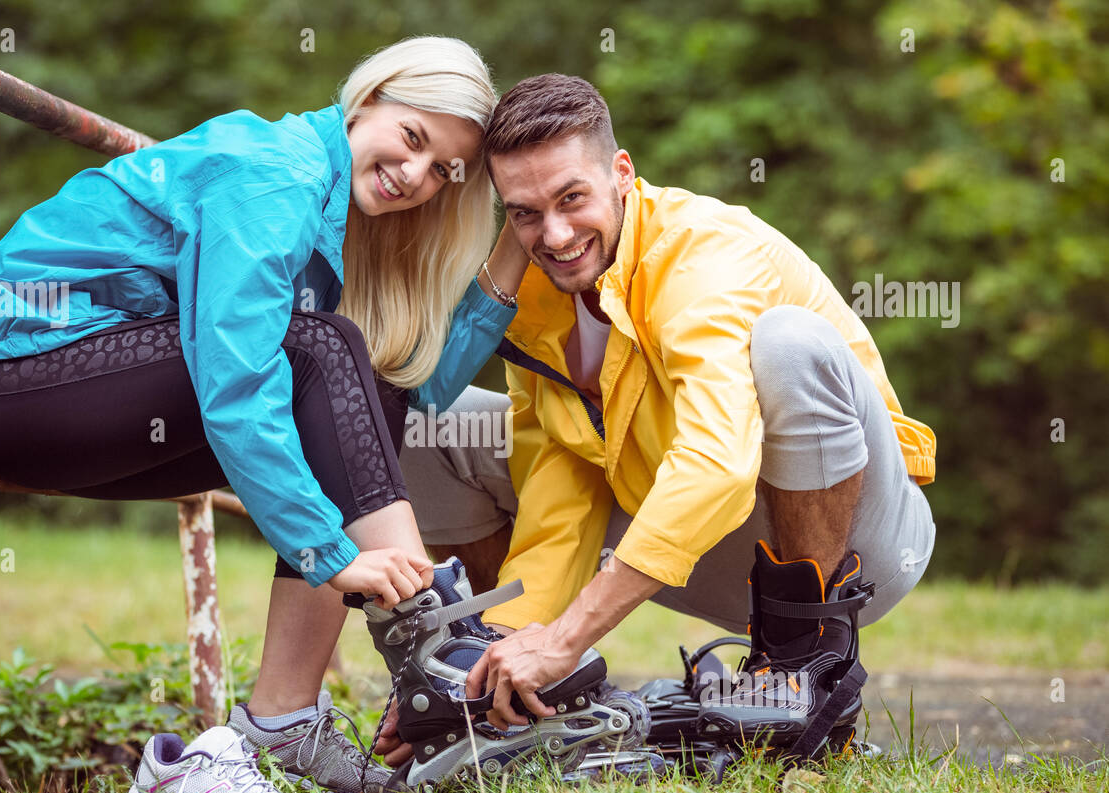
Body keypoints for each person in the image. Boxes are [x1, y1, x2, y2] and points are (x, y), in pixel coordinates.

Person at [0, 37, 531, 793]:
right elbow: (237, 381)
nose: (417, 175)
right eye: (413, 139)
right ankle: (430, 644)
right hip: (9, 375)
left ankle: (286, 719)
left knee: (363, 376)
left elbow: (413, 393)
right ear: (370, 98)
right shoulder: (273, 168)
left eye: (443, 171)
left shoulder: (327, 205)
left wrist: (516, 238)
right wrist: (331, 553)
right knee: (326, 347)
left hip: (93, 393)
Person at [396, 74, 937, 757]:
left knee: (789, 343)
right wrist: (503, 653)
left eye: (572, 199)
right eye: (525, 213)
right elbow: (560, 483)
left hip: (858, 541)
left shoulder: (703, 254)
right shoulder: (537, 299)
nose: (555, 234)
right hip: (707, 552)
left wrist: (570, 635)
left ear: (621, 173)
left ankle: (805, 668)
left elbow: (717, 464)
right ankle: (520, 695)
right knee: (426, 424)